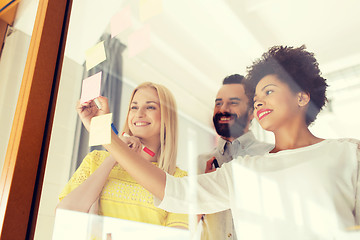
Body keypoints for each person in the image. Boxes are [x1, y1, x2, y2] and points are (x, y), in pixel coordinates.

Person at [77, 46, 359, 239]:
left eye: (269, 91)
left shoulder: (348, 153)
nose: (259, 100)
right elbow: (173, 191)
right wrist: (102, 129)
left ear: (302, 96)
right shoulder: (245, 171)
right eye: (257, 96)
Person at [57, 82, 188, 229]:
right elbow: (65, 215)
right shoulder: (95, 160)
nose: (139, 114)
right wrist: (114, 156)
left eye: (150, 107)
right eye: (134, 107)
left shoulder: (179, 180)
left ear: (167, 118)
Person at [197, 74, 273, 240]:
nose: (223, 108)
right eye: (219, 103)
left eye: (233, 102)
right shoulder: (201, 163)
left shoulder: (271, 156)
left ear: (252, 111)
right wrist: (205, 187)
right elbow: (186, 223)